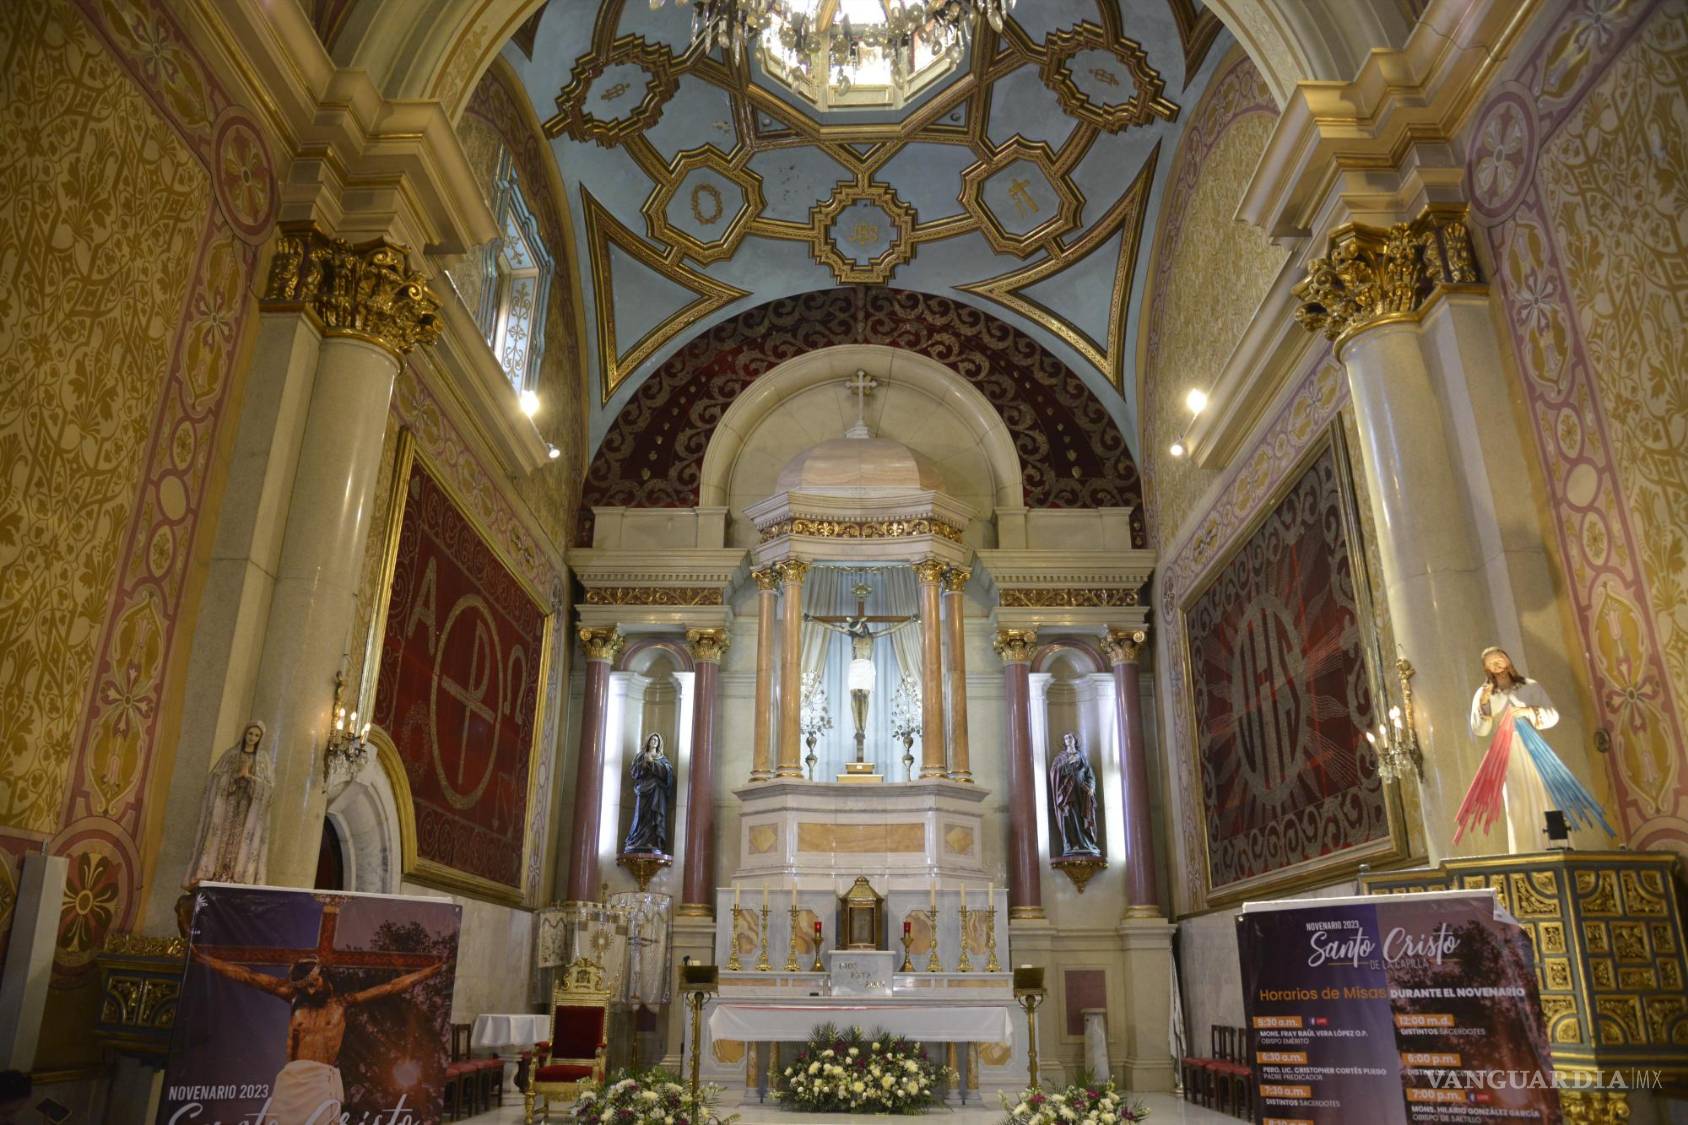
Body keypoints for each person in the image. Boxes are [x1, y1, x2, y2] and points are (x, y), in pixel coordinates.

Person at [191, 950, 445, 1123]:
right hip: (292, 1081)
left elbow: (391, 987)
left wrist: (432, 972)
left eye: (314, 983)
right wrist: (205, 959)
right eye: (306, 987)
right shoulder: (293, 997)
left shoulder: (342, 1003)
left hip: (320, 1082)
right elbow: (248, 976)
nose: (311, 990)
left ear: (324, 975)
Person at [1454, 646, 1614, 846]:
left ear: (1508, 660)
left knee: (1543, 794)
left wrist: (1528, 711)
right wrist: (1484, 703)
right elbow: (1479, 729)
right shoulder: (1484, 693)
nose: (1498, 664)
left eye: (1500, 659)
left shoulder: (1530, 686)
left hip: (1534, 748)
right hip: (1505, 753)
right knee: (1515, 801)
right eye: (1492, 663)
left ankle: (1555, 845)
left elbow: (1552, 715)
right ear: (1486, 669)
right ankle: (1525, 849)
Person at [184, 721, 273, 887]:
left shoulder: (263, 760)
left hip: (247, 809)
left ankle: (237, 876)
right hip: (228, 805)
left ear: (261, 738)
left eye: (256, 735)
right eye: (250, 734)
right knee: (221, 839)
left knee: (240, 842)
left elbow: (268, 789)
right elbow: (215, 779)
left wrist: (250, 779)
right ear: (244, 734)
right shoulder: (231, 755)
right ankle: (215, 873)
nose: (252, 738)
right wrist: (233, 778)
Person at [1049, 732, 1101, 856]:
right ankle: (1072, 845)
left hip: (1082, 793)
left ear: (1075, 740)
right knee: (1070, 817)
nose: (1068, 740)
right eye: (1066, 738)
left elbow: (1090, 774)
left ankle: (1086, 843)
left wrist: (1092, 787)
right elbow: (1054, 772)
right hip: (1068, 794)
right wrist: (1067, 763)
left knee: (1083, 817)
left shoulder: (1081, 756)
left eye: (1070, 737)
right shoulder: (1060, 758)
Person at [622, 733, 674, 855]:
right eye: (652, 739)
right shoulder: (641, 756)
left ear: (659, 743)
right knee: (641, 816)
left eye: (657, 740)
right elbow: (635, 772)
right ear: (648, 741)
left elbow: (668, 774)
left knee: (654, 817)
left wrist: (653, 763)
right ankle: (637, 841)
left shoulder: (663, 759)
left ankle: (653, 841)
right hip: (643, 791)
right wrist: (645, 763)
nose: (654, 741)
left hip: (657, 793)